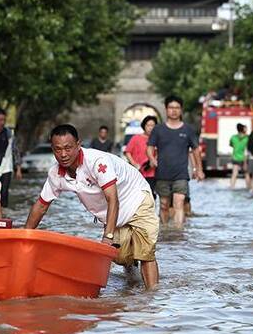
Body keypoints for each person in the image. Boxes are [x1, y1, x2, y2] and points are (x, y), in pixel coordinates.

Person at [25, 124, 160, 289]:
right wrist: (24, 237)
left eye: (68, 148)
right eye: (57, 149)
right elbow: (40, 207)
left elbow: (113, 199)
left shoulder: (96, 162)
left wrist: (107, 237)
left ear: (78, 145)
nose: (63, 154)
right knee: (120, 256)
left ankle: (152, 298)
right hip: (111, 212)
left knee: (145, 252)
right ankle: (132, 286)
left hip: (136, 198)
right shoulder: (56, 174)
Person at [147, 95, 204, 227]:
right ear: (166, 109)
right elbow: (149, 147)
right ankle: (165, 231)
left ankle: (178, 233)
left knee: (179, 203)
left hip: (181, 174)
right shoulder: (158, 129)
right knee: (164, 205)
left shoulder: (188, 130)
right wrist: (152, 159)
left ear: (181, 110)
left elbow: (196, 150)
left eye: (177, 108)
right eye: (171, 107)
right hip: (162, 174)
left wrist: (199, 170)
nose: (174, 110)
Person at [125, 115, 158, 198]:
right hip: (138, 173)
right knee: (138, 196)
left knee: (150, 196)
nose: (150, 128)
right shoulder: (136, 138)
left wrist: (154, 161)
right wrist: (134, 164)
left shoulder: (157, 139)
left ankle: (150, 211)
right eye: (148, 125)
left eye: (153, 126)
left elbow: (159, 153)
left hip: (152, 173)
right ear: (144, 126)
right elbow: (128, 152)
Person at [229, 123, 249, 189]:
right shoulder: (247, 138)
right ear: (243, 129)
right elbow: (248, 147)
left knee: (234, 174)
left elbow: (231, 144)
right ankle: (248, 187)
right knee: (246, 174)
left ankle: (232, 187)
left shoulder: (233, 137)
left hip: (235, 157)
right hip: (244, 158)